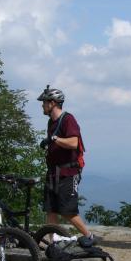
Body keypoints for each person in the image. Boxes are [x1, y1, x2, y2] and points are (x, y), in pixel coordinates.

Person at [37, 85, 93, 241]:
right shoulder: (51, 123)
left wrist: (55, 139)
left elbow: (74, 142)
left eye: (44, 102)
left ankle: (89, 236)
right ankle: (52, 242)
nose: (42, 105)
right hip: (53, 172)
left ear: (53, 103)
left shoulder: (68, 119)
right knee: (51, 210)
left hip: (68, 173)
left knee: (68, 211)